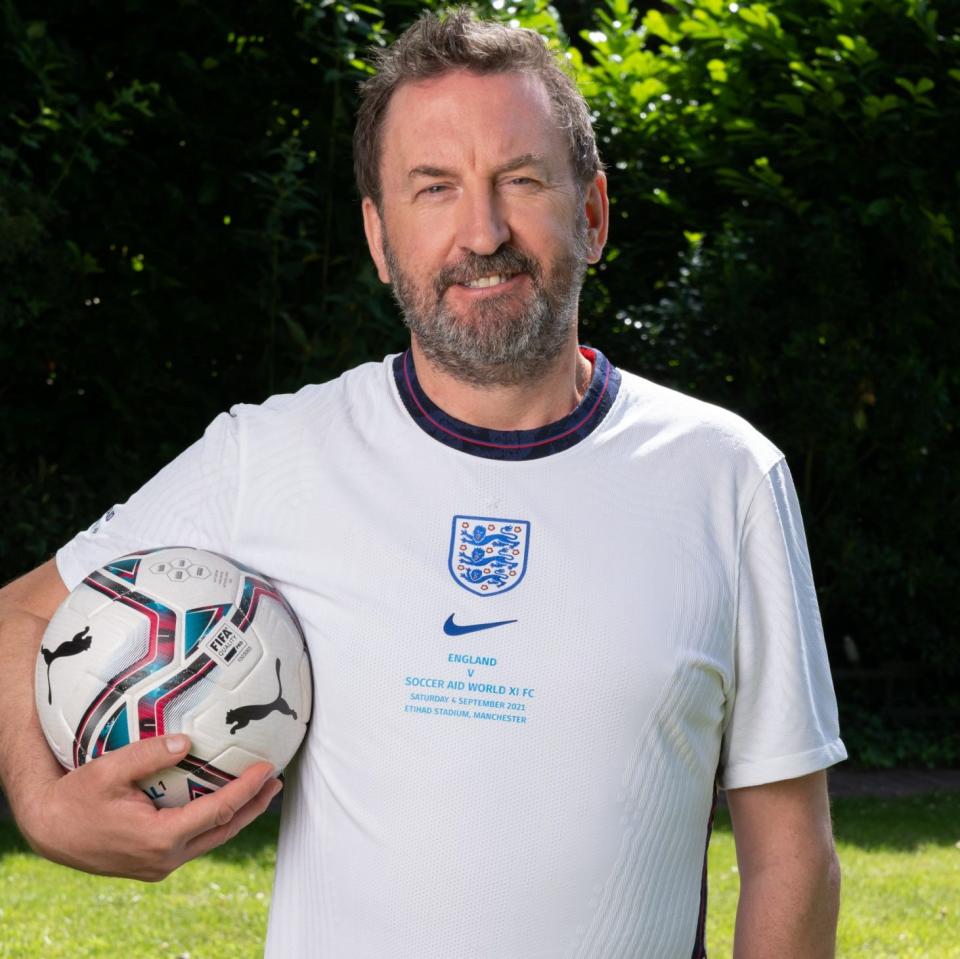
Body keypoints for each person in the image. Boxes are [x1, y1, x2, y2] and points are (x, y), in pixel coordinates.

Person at [0, 10, 846, 958]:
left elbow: (791, 859)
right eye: (433, 188)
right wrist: (43, 806)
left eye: (519, 180)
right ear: (376, 235)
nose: (481, 231)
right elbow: (19, 615)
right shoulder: (269, 454)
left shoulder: (726, 475)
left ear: (595, 213)